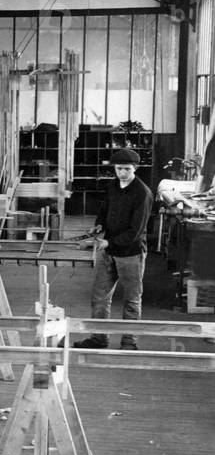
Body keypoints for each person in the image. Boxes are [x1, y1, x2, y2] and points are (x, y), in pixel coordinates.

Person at [73, 150, 154, 350]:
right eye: (119, 169)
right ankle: (99, 338)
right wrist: (99, 226)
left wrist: (110, 243)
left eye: (127, 169)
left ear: (135, 168)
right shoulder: (112, 187)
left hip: (131, 254)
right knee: (100, 297)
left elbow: (136, 231)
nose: (122, 173)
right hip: (108, 252)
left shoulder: (142, 193)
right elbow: (104, 212)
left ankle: (129, 342)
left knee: (132, 299)